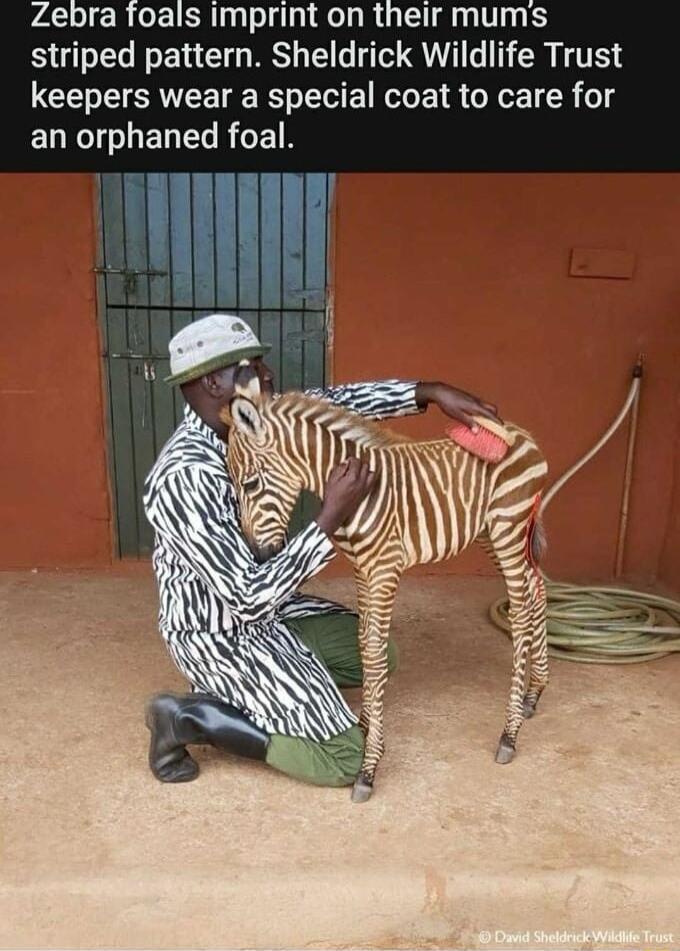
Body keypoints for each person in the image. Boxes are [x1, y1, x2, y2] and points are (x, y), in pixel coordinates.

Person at [143, 313, 500, 788]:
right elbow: (247, 595)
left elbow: (335, 403)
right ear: (213, 382)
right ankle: (189, 719)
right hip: (218, 629)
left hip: (273, 613)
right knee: (344, 758)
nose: (267, 375)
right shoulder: (185, 475)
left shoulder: (258, 420)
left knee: (379, 655)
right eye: (251, 367)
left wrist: (430, 393)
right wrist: (329, 518)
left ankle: (253, 688)